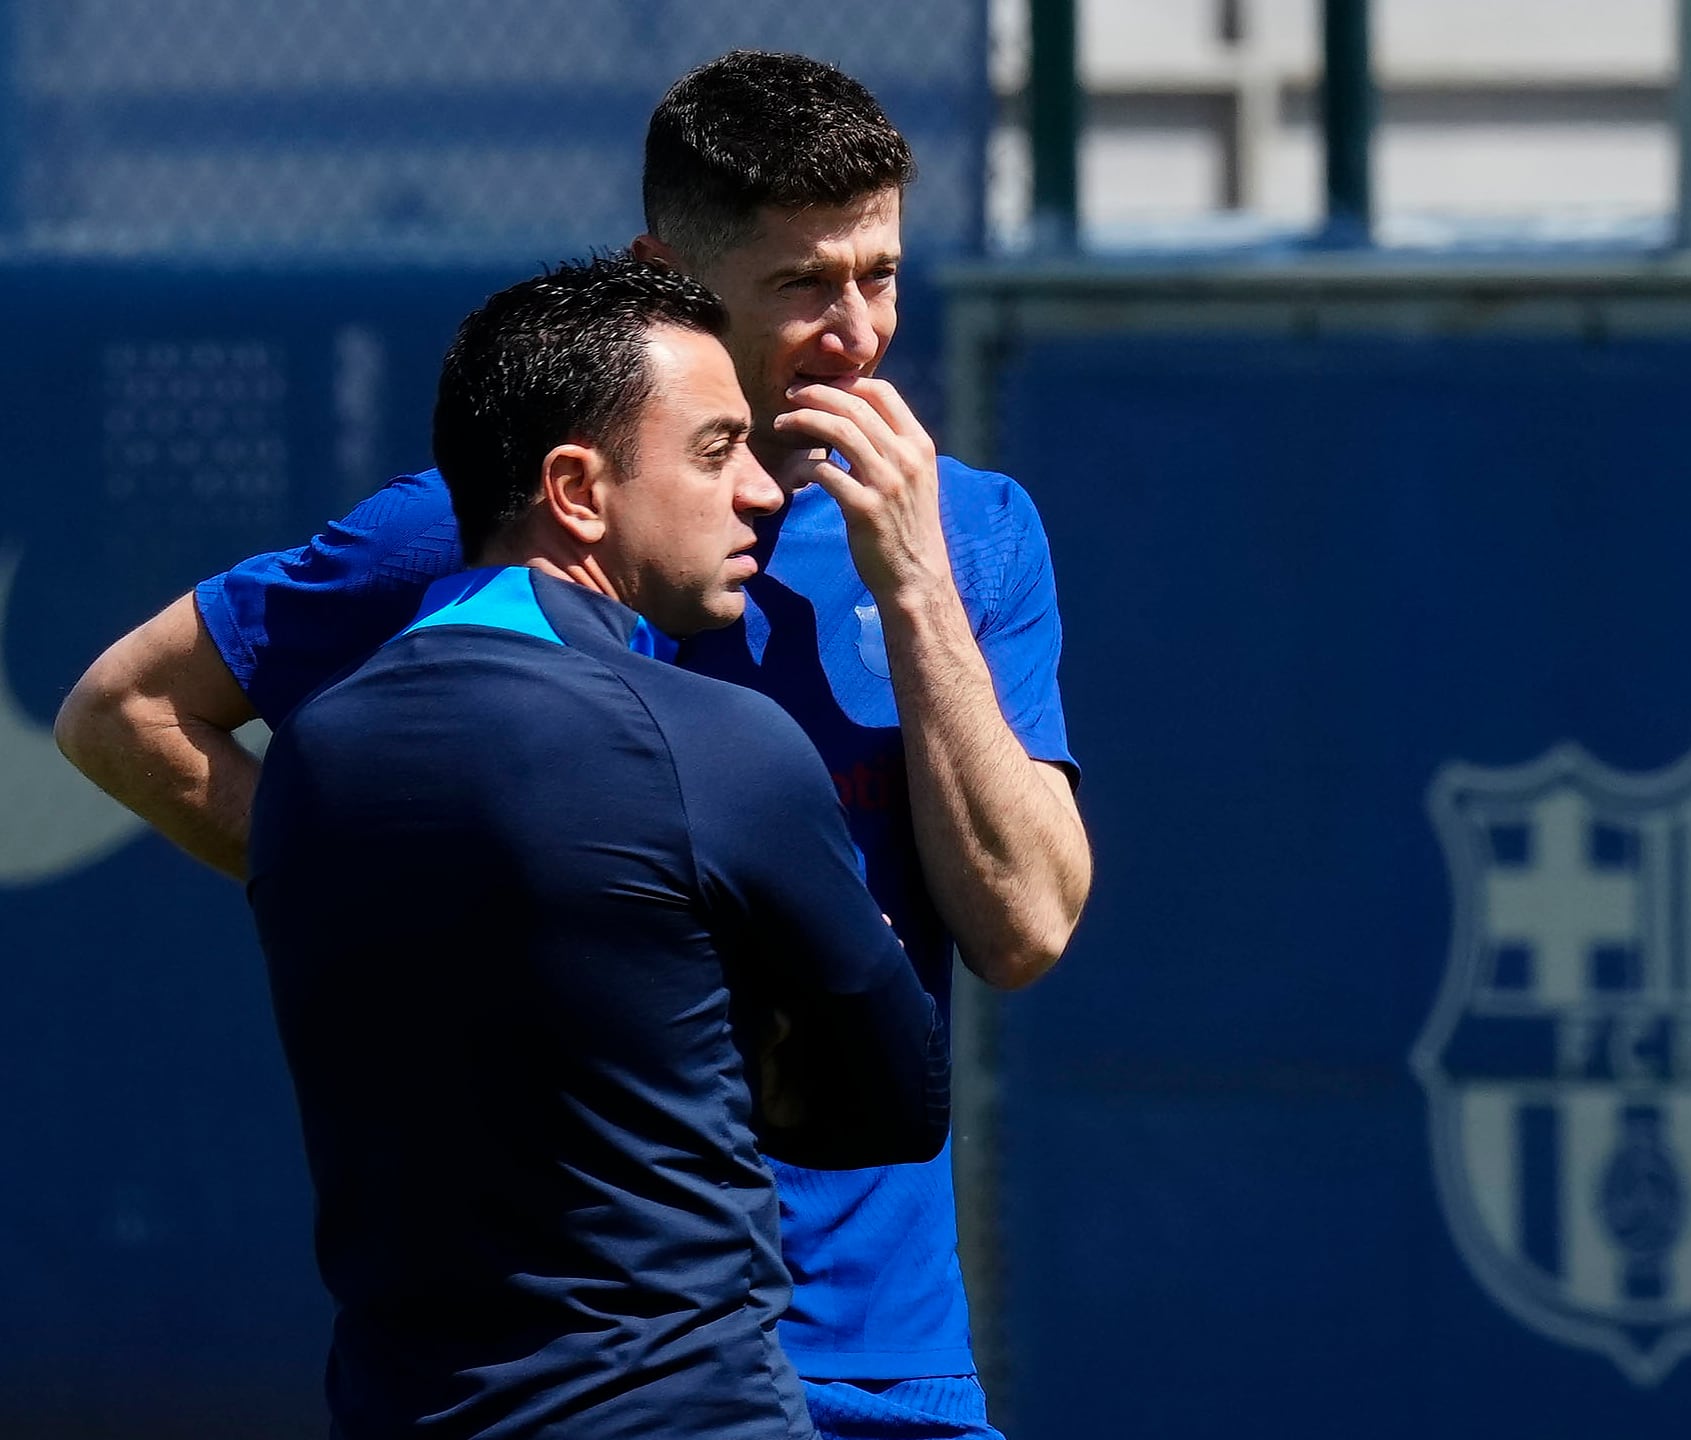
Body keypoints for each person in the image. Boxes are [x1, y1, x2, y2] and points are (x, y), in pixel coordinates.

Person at [54, 49, 1090, 1440]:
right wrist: (415, 893)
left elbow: (1024, 924)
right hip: (588, 1355)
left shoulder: (969, 534)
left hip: (883, 1364)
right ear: (670, 272)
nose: (857, 332)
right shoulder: (500, 527)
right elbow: (125, 713)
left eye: (881, 274)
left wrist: (913, 586)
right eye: (803, 284)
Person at [251, 255, 950, 1438]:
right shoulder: (715, 745)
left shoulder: (312, 759)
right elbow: (901, 1100)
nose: (764, 494)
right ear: (577, 489)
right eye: (716, 451)